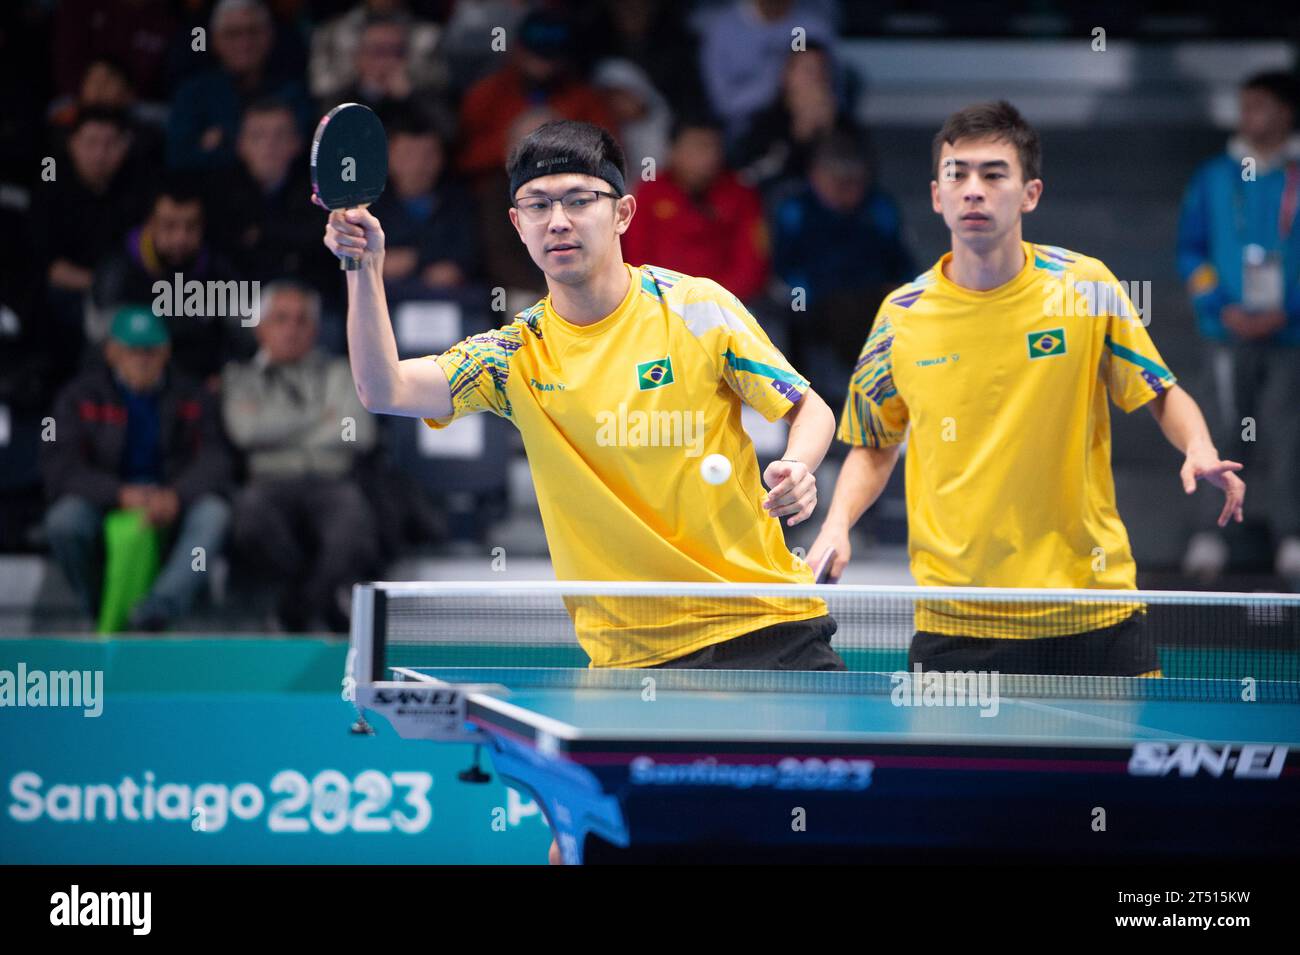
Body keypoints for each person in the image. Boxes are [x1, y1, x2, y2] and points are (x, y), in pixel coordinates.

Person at [326, 118, 840, 864]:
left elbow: (808, 407)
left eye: (578, 199)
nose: (557, 220)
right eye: (536, 205)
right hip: (631, 668)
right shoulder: (516, 354)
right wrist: (364, 271)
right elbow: (384, 387)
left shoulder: (697, 308)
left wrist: (799, 465)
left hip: (767, 635)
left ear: (623, 212)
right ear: (517, 225)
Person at [808, 101, 1245, 677]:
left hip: (1093, 608)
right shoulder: (900, 316)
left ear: (1030, 193)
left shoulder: (1086, 287)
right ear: (937, 196)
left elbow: (1159, 390)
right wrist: (837, 525)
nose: (973, 190)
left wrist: (1198, 447)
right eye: (956, 174)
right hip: (958, 621)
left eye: (994, 174)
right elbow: (874, 442)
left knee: (1119, 769)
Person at [1176, 71, 1300, 580]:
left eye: (1261, 106)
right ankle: (1211, 536)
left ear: (1287, 112)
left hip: (1290, 333)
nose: (1249, 117)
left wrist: (1288, 309)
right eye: (1244, 106)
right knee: (1224, 429)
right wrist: (1219, 304)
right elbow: (1191, 250)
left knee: (1288, 433)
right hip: (1226, 331)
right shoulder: (1213, 177)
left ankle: (1292, 537)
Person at [41, 306, 234, 631]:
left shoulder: (192, 395)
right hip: (107, 497)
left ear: (166, 351)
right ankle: (102, 609)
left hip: (171, 496)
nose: (142, 359)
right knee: (64, 521)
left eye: (151, 350)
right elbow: (60, 466)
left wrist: (176, 496)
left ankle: (154, 611)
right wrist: (119, 494)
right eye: (133, 350)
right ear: (112, 352)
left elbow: (217, 459)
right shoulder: (79, 396)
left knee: (214, 515)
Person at [222, 282, 379, 633]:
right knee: (250, 518)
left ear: (316, 329)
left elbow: (360, 432)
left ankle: (294, 610)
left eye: (301, 320)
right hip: (269, 483)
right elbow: (246, 432)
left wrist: (276, 430)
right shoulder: (241, 377)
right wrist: (321, 419)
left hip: (332, 482)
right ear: (260, 328)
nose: (292, 329)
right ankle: (318, 601)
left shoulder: (340, 371)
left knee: (353, 524)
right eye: (281, 319)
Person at [620, 114, 769, 302]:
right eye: (698, 147)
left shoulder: (742, 195)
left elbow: (751, 265)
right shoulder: (649, 193)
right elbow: (636, 258)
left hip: (729, 305)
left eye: (714, 147)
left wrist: (709, 302)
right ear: (673, 151)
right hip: (659, 304)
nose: (709, 157)